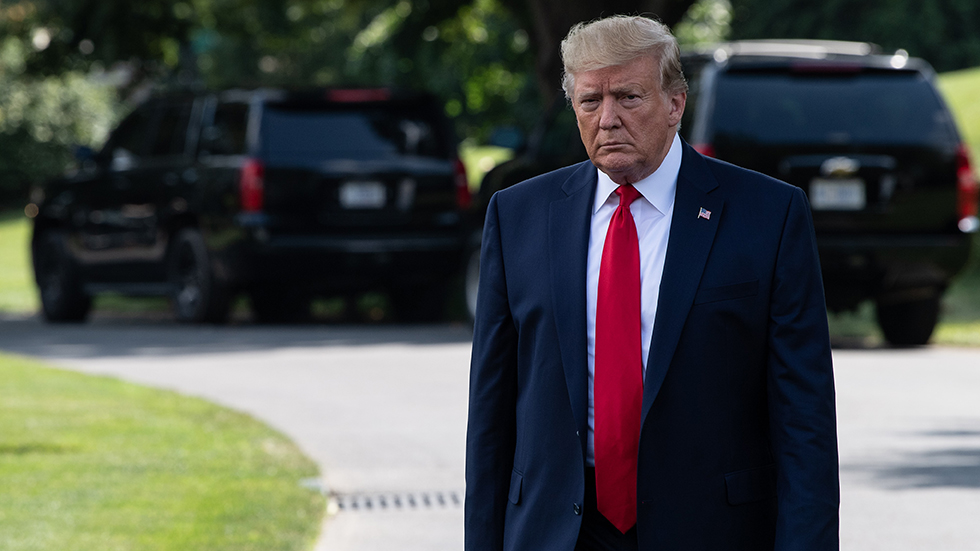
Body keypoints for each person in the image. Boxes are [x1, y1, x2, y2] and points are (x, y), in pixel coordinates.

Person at [465, 14, 839, 551]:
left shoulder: (768, 215)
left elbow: (805, 422)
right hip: (557, 530)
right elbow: (491, 416)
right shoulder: (518, 216)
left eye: (629, 98)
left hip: (711, 529)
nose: (608, 119)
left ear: (675, 104)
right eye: (590, 101)